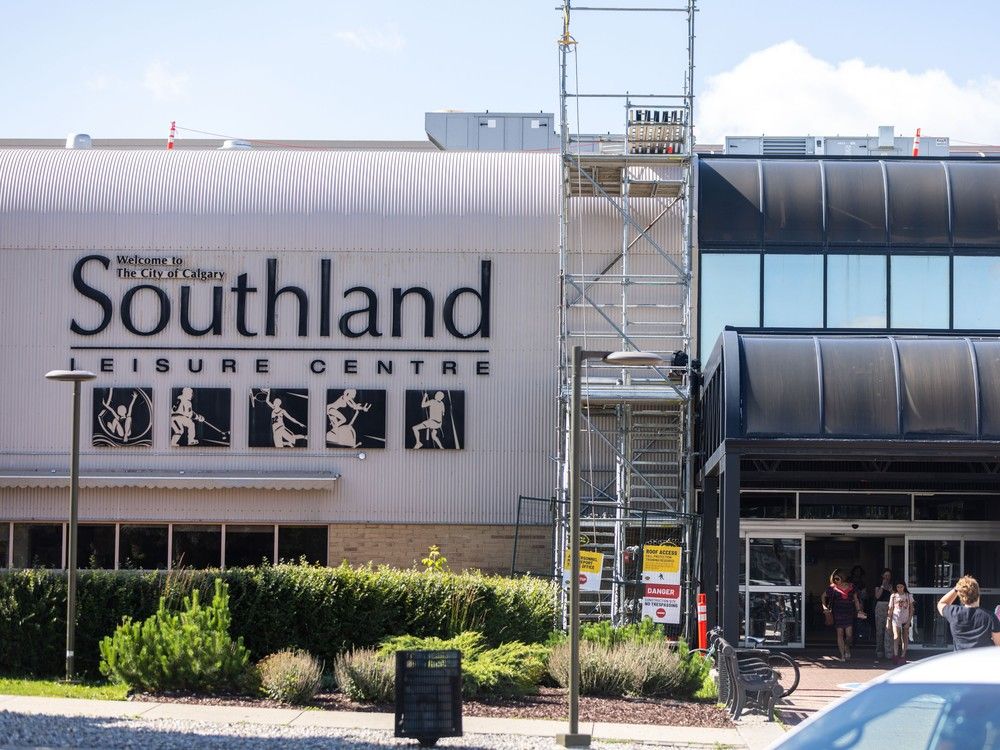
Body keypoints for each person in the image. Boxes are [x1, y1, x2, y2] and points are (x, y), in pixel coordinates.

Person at [936, 575, 1000, 650]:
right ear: (978, 593)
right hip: (983, 657)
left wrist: (956, 589)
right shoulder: (990, 617)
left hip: (961, 656)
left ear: (960, 595)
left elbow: (941, 603)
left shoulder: (954, 613)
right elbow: (998, 645)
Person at [822, 568, 867, 662]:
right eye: (834, 579)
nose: (836, 581)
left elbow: (856, 599)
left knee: (849, 635)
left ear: (842, 577)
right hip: (837, 613)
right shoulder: (832, 588)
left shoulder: (851, 586)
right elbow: (823, 596)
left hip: (849, 613)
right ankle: (842, 655)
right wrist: (825, 607)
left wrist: (859, 610)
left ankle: (847, 646)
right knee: (840, 634)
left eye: (837, 578)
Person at [886, 581, 914, 665]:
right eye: (898, 587)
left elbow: (911, 609)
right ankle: (895, 655)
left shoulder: (908, 596)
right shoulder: (893, 596)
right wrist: (888, 620)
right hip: (896, 618)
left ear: (904, 587)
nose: (899, 589)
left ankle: (903, 655)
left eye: (901, 587)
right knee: (896, 636)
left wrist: (909, 621)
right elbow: (890, 609)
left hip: (905, 619)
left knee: (905, 637)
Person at [873, 568, 893, 665]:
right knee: (879, 630)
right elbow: (877, 596)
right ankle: (879, 651)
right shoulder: (878, 585)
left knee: (889, 630)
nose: (887, 577)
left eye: (888, 575)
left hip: (890, 606)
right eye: (885, 575)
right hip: (880, 606)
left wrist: (890, 589)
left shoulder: (892, 585)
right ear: (882, 576)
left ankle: (889, 652)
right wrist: (882, 586)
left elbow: (894, 596)